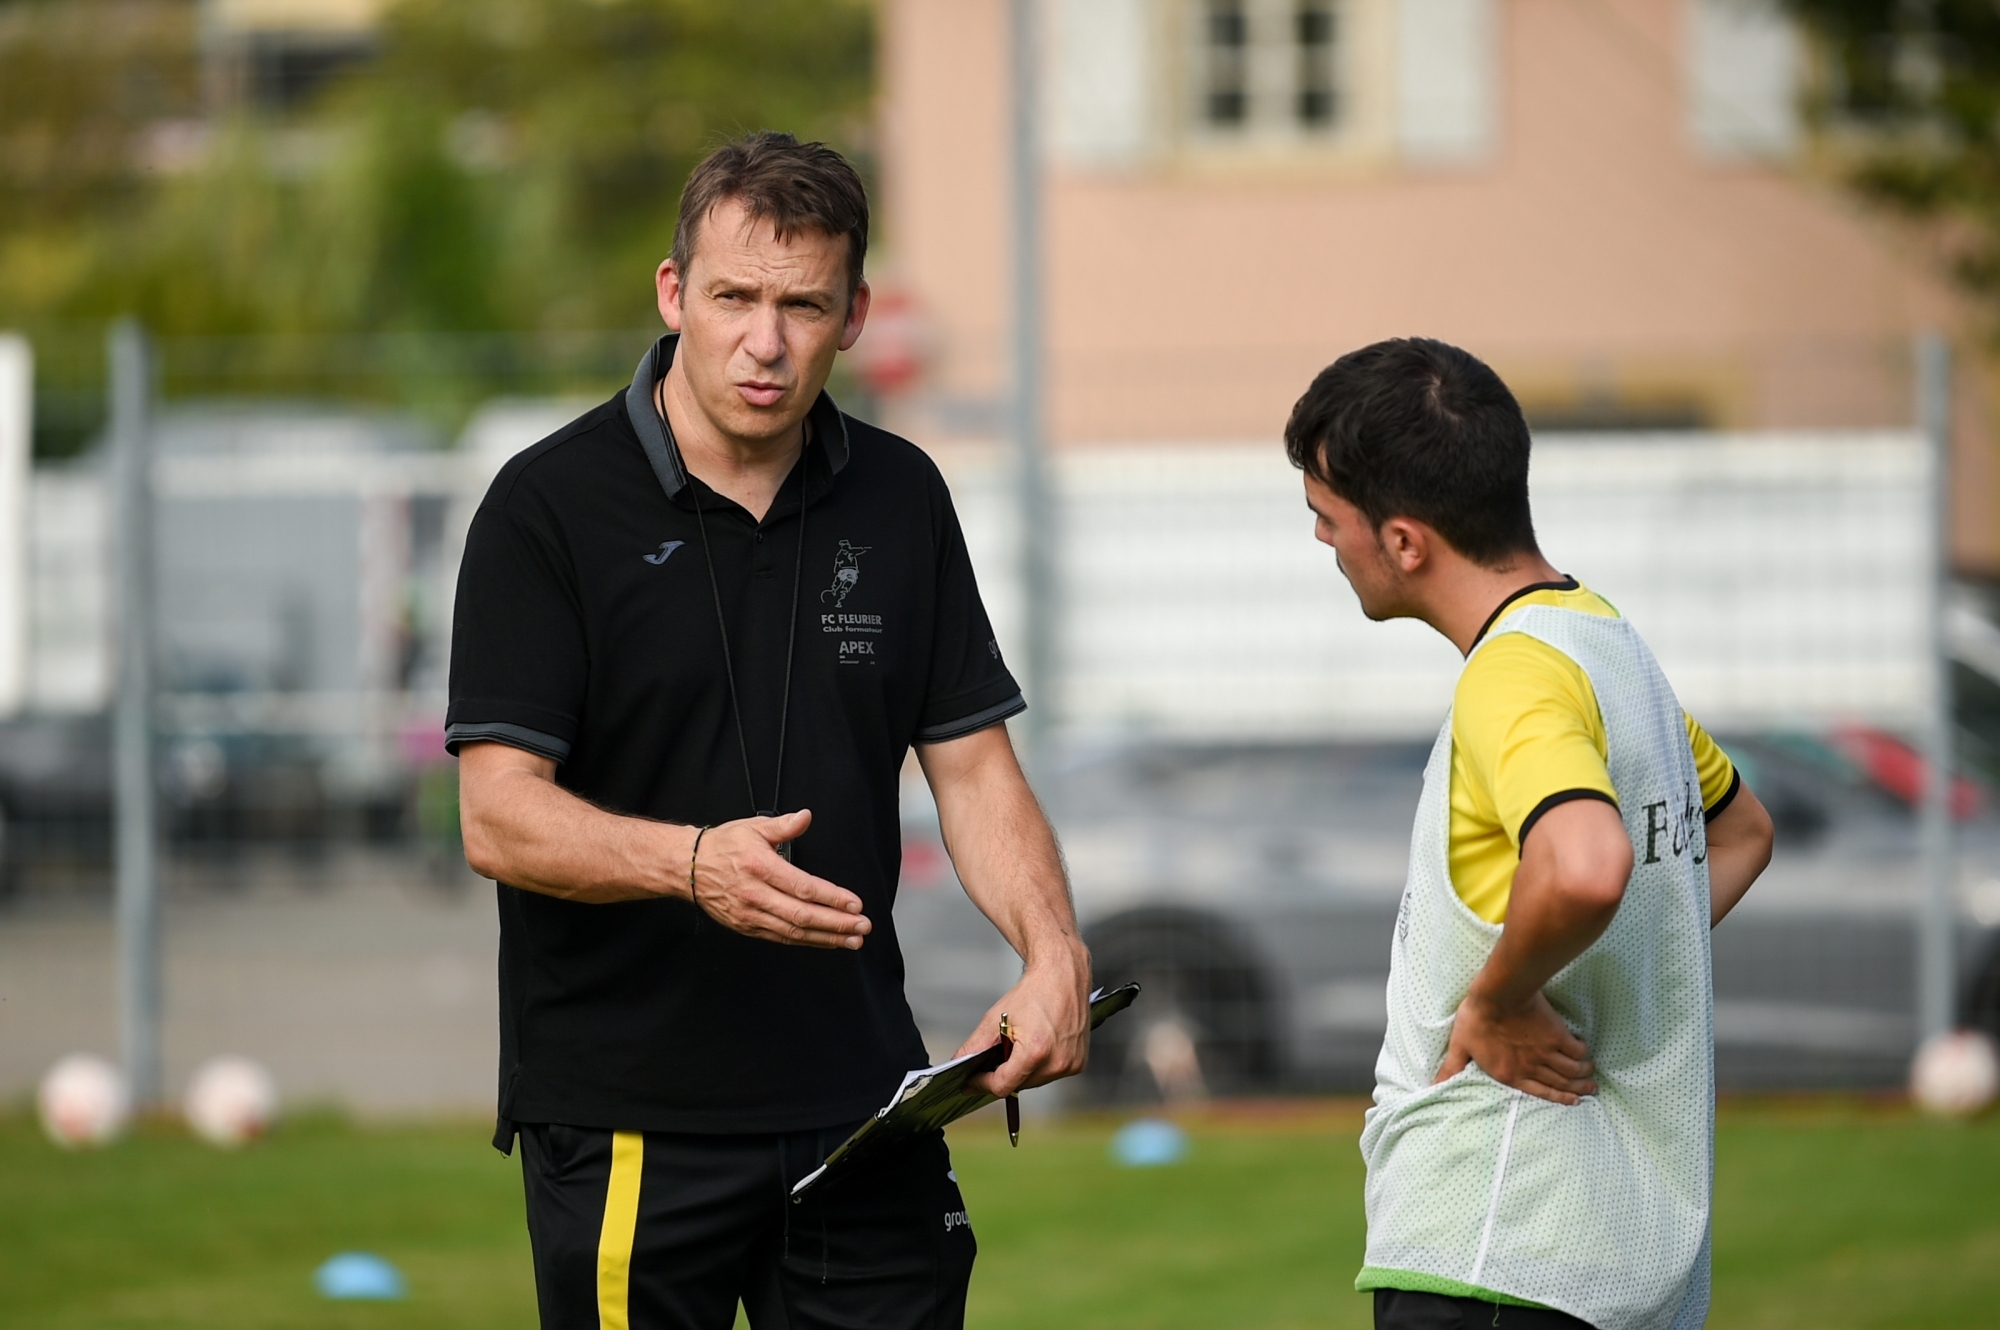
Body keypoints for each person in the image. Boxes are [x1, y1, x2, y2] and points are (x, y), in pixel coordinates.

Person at [447, 132, 1091, 1330]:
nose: (765, 339)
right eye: (735, 297)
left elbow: (974, 768)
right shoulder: (545, 506)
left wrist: (1052, 953)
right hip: (630, 1115)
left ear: (852, 315)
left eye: (802, 305)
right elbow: (497, 814)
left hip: (865, 1103)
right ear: (672, 292)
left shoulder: (902, 497)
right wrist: (690, 864)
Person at [1285, 339, 1775, 1330]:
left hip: (1497, 1243)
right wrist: (1611, 968)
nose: (1322, 544)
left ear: (1405, 541)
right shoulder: (1609, 648)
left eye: (1325, 520)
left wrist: (1500, 998)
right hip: (1612, 1255)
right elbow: (1741, 833)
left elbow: (1588, 867)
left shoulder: (1510, 672)